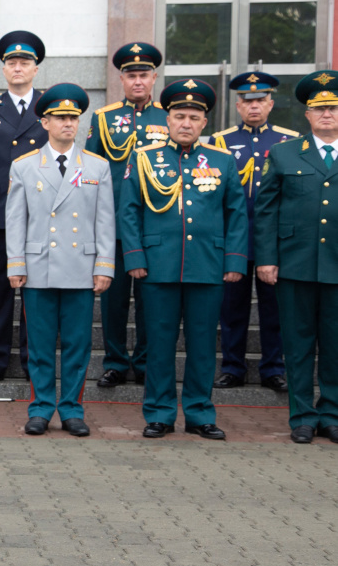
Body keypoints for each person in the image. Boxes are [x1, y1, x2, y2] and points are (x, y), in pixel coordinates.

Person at [118, 78, 246, 441]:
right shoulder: (144, 159)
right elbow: (128, 211)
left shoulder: (222, 160)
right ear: (167, 120)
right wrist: (134, 256)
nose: (186, 123)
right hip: (158, 266)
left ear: (205, 122)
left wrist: (235, 260)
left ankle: (199, 413)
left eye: (193, 117)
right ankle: (159, 413)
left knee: (203, 344)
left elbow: (236, 213)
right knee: (159, 344)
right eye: (179, 116)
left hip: (207, 266)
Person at [5, 84, 115, 437]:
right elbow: (15, 219)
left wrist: (104, 265)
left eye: (73, 118)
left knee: (77, 345)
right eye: (61, 118)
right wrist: (15, 263)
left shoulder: (97, 166)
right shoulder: (24, 166)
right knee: (38, 346)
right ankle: (40, 409)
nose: (69, 123)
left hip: (80, 269)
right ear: (45, 122)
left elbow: (104, 220)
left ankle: (71, 409)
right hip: (39, 267)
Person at [253, 71, 338, 445]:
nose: (327, 115)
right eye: (319, 108)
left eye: (333, 107)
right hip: (294, 263)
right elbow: (266, 210)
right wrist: (266, 259)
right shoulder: (284, 153)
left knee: (335, 345)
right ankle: (302, 416)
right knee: (298, 344)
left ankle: (331, 413)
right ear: (306, 114)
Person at [86, 43, 168, 388]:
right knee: (114, 300)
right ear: (121, 78)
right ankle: (116, 362)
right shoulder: (103, 118)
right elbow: (90, 171)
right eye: (131, 75)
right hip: (115, 223)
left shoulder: (169, 117)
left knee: (151, 299)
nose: (138, 81)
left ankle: (147, 361)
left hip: (156, 222)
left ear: (154, 78)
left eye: (144, 75)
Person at [0, 31, 48, 385]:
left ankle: (35, 360)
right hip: (0, 210)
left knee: (36, 288)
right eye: (12, 63)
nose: (18, 68)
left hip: (42, 210)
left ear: (35, 68)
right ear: (3, 69)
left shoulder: (49, 106)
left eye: (25, 62)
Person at [211, 72, 295, 393]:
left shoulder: (288, 140)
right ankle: (233, 367)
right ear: (238, 105)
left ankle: (273, 368)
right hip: (236, 239)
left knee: (275, 309)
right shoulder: (220, 141)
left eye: (260, 100)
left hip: (274, 241)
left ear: (271, 104)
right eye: (248, 100)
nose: (254, 106)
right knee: (232, 309)